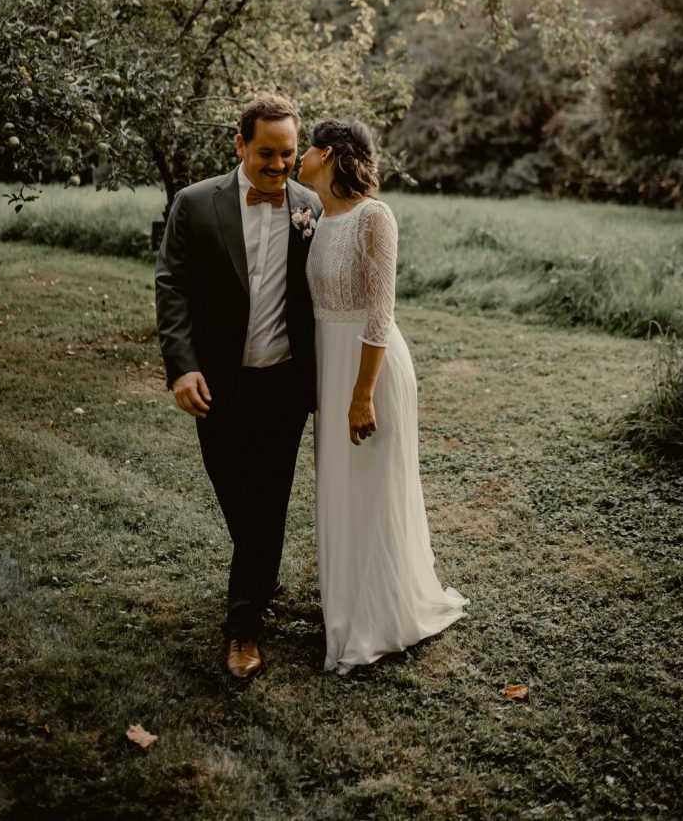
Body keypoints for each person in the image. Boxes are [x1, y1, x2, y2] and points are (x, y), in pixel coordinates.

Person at [155, 93, 322, 682]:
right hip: (218, 384)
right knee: (236, 494)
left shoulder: (310, 207)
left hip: (284, 384)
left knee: (268, 501)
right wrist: (182, 365)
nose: (279, 168)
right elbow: (172, 285)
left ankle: (244, 627)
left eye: (289, 155)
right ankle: (260, 571)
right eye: (267, 155)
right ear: (240, 145)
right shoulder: (196, 204)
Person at [298, 118, 468, 674]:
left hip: (370, 369)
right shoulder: (319, 216)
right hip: (331, 364)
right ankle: (344, 603)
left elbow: (380, 312)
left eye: (306, 147)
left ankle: (379, 615)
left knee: (372, 489)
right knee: (341, 487)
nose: (299, 156)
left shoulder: (375, 216)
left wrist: (362, 394)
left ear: (326, 154)